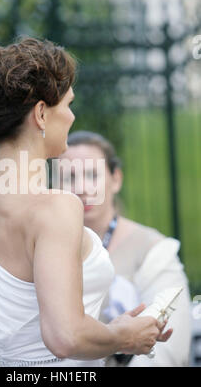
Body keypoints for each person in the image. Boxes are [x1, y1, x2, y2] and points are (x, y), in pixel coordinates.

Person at [0, 36, 171, 367]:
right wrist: (127, 338)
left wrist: (107, 330)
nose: (73, 117)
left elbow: (27, 325)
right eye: (68, 104)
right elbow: (64, 337)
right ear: (41, 115)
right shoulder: (54, 207)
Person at [56, 130, 191, 367]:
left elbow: (170, 346)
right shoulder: (44, 247)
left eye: (92, 175)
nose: (82, 188)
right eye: (69, 177)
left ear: (115, 179)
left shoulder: (152, 249)